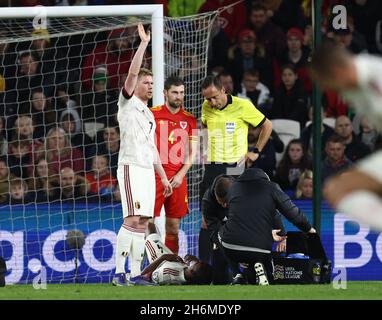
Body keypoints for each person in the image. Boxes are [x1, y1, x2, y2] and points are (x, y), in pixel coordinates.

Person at [112, 23, 172, 286]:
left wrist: (164, 177)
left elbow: (153, 149)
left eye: (151, 83)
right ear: (135, 84)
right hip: (130, 167)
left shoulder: (149, 114)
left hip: (148, 171)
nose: (149, 86)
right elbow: (132, 71)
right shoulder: (126, 104)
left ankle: (135, 274)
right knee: (132, 219)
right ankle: (117, 272)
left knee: (143, 222)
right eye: (145, 82)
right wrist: (144, 44)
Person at [198, 74, 273, 264]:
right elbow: (204, 126)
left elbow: (267, 126)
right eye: (207, 98)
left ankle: (237, 269)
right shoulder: (206, 107)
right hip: (213, 166)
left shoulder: (243, 105)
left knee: (233, 218)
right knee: (206, 220)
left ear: (223, 90)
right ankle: (204, 269)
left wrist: (256, 151)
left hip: (234, 167)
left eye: (214, 96)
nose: (211, 102)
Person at [216, 167, 316, 285]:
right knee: (259, 250)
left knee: (219, 233)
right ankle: (262, 269)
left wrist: (237, 253)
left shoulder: (233, 189)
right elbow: (291, 213)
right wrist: (309, 229)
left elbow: (235, 220)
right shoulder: (271, 187)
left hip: (233, 247)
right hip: (261, 247)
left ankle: (238, 274)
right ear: (265, 178)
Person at [202, 173, 286, 285]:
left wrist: (283, 236)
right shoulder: (208, 202)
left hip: (247, 224)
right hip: (225, 231)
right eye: (220, 202)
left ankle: (257, 270)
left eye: (227, 202)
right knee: (219, 252)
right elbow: (215, 231)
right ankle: (237, 275)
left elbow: (271, 212)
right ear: (215, 196)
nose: (224, 206)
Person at [151, 76, 197, 254]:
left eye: (182, 92)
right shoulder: (152, 113)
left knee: (173, 226)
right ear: (165, 93)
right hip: (154, 176)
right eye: (175, 92)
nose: (179, 96)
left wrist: (180, 174)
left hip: (178, 177)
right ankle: (152, 265)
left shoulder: (190, 119)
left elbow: (193, 153)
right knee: (148, 223)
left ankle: (171, 268)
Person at [128, 223, 213, 286]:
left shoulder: (168, 273)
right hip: (171, 259)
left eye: (196, 263)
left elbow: (146, 276)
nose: (196, 262)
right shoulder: (192, 274)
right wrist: (187, 260)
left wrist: (163, 258)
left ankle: (135, 266)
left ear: (191, 271)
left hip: (159, 259)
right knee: (152, 227)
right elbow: (190, 263)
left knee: (148, 226)